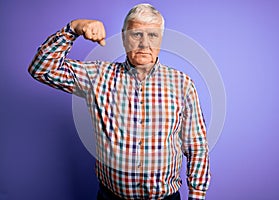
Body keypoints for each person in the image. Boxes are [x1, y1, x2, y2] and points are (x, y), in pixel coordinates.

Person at [28, 3, 210, 200]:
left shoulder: (182, 84)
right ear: (124, 38)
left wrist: (197, 195)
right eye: (136, 34)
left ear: (161, 40)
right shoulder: (97, 76)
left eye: (153, 35)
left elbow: (196, 145)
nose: (144, 44)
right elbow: (41, 69)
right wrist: (74, 28)